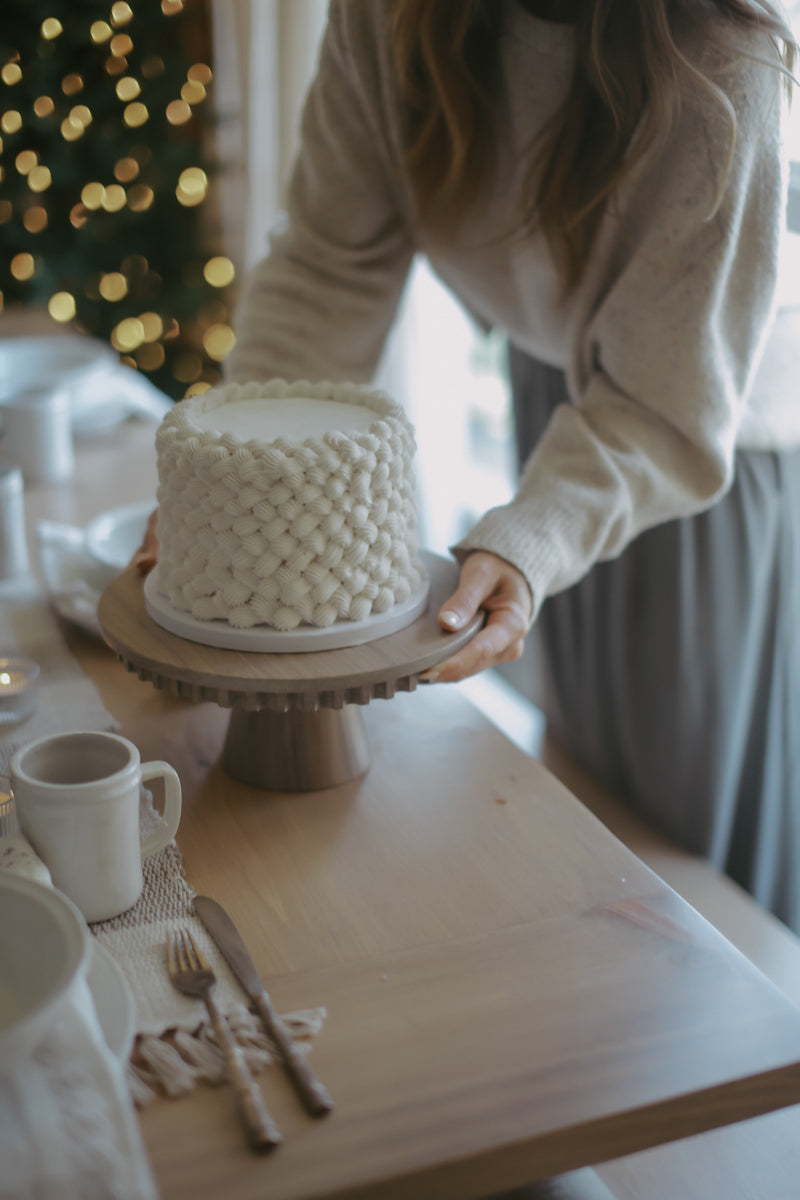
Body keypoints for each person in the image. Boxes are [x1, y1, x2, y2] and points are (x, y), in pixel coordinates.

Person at [138, 0, 800, 930]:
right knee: (579, 801)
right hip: (557, 379)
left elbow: (661, 407)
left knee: (675, 875)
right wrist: (241, 478)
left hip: (700, 438)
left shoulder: (726, 65)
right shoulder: (386, 18)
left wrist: (533, 537)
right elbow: (332, 263)